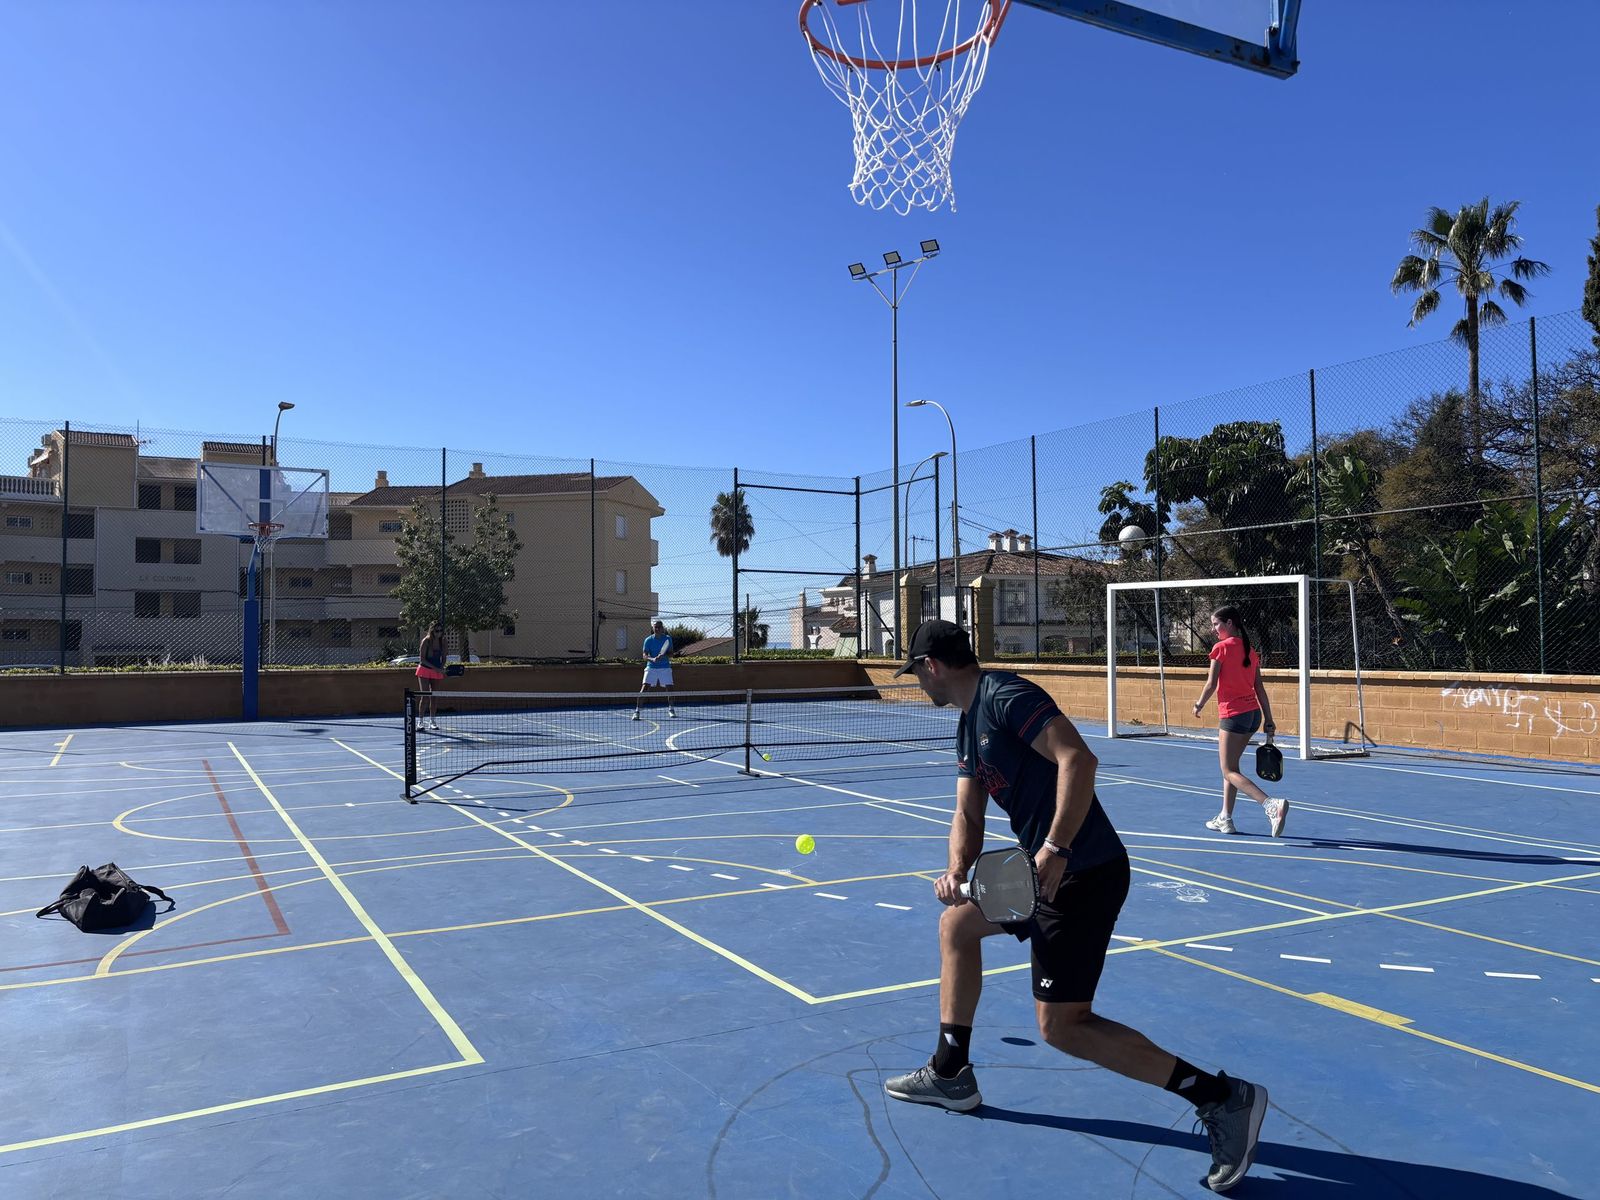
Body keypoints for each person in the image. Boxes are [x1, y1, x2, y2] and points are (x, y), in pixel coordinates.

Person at [885, 619, 1270, 1194]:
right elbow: (967, 812)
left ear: (932, 666)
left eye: (915, 672)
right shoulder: (969, 725)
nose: (918, 683)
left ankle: (1222, 1097)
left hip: (1083, 875)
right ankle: (950, 1072)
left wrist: (1055, 849)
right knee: (957, 927)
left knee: (1064, 1028)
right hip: (1037, 881)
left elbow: (1078, 760)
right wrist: (957, 872)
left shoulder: (1007, 697)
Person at [1192, 606, 1288, 837]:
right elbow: (1259, 688)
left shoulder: (1220, 649)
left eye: (1217, 624)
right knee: (1232, 768)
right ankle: (1225, 818)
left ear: (1231, 623)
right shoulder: (1250, 650)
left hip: (1233, 715)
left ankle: (1270, 805)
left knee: (1228, 770)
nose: (1214, 629)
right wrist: (1269, 719)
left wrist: (1199, 704)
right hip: (1253, 714)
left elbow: (1211, 684)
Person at [632, 620, 676, 720]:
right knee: (644, 688)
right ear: (653, 628)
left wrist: (663, 655)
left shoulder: (668, 639)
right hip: (651, 667)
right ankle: (637, 711)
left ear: (662, 628)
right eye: (655, 627)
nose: (657, 629)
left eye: (659, 627)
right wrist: (652, 659)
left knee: (670, 688)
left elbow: (671, 654)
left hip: (665, 667)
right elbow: (644, 655)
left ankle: (671, 709)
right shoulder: (648, 640)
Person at [415, 622, 446, 731]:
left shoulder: (443, 642)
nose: (439, 633)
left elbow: (444, 657)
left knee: (434, 696)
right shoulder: (426, 641)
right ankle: (420, 722)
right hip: (424, 669)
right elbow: (422, 659)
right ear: (432, 631)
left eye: (441, 631)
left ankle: (432, 721)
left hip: (436, 671)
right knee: (425, 695)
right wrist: (435, 668)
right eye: (437, 631)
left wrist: (441, 668)